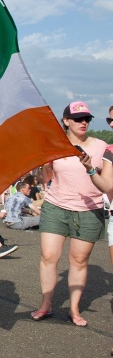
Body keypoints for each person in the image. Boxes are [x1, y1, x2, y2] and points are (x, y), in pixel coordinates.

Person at [33, 101, 113, 326]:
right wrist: (44, 165)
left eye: (87, 118)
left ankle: (74, 309)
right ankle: (46, 304)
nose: (84, 122)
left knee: (78, 260)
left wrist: (89, 168)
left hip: (89, 210)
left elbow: (107, 183)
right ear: (66, 121)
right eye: (78, 119)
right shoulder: (55, 145)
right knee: (49, 256)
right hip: (56, 206)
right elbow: (44, 180)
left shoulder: (100, 146)